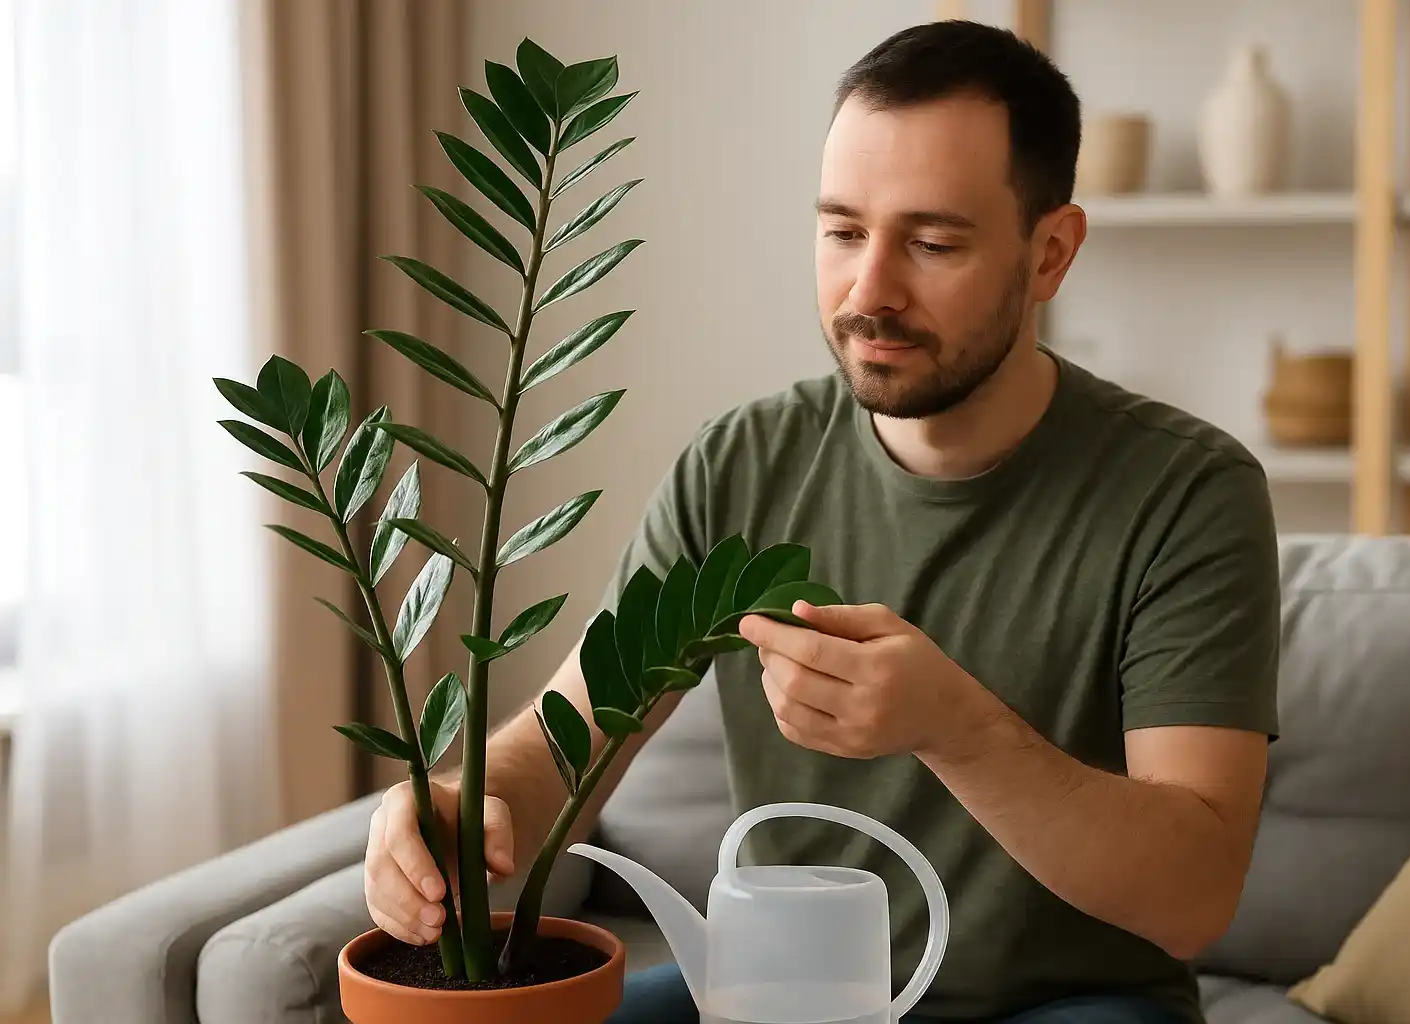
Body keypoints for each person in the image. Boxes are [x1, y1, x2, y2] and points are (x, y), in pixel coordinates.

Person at [363, 19, 1279, 1024]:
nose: (868, 290)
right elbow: (572, 742)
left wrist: (957, 728)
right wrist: (452, 811)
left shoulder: (1185, 492)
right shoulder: (741, 465)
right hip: (779, 988)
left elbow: (1195, 895)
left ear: (1051, 251)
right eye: (843, 231)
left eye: (932, 243)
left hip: (1071, 1003)